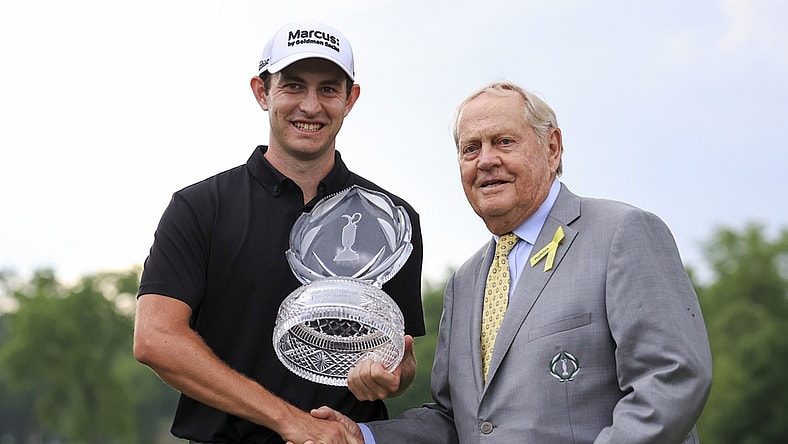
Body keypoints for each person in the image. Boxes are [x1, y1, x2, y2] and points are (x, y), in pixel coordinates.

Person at [309, 80, 713, 443]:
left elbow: (670, 380)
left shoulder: (622, 232)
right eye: (471, 148)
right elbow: (460, 422)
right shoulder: (464, 282)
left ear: (552, 148)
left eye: (503, 142)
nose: (485, 161)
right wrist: (363, 437)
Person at [132, 20, 424, 444]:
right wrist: (289, 420)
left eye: (328, 88)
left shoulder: (391, 219)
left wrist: (393, 374)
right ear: (261, 91)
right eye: (292, 86)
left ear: (350, 99)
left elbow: (402, 354)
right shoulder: (199, 207)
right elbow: (156, 339)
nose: (311, 106)